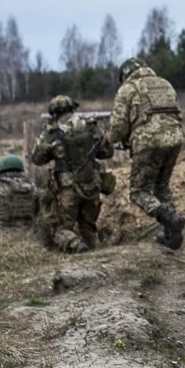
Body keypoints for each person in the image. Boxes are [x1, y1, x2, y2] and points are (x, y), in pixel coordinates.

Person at [107, 57, 185, 250]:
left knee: (138, 192)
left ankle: (170, 219)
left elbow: (118, 129)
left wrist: (108, 139)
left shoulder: (127, 89)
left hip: (148, 142)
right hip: (175, 139)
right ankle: (172, 235)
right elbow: (177, 114)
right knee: (162, 187)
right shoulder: (165, 84)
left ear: (125, 75)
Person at [31, 95, 114, 253]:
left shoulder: (52, 132)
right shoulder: (90, 126)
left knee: (60, 229)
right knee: (88, 226)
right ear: (72, 108)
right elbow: (107, 152)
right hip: (92, 185)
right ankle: (97, 256)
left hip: (67, 189)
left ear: (53, 112)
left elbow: (37, 159)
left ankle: (76, 246)